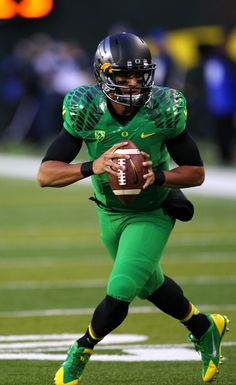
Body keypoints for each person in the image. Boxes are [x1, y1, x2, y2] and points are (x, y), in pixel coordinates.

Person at [37, 32, 229, 385]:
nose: (131, 83)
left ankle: (81, 351)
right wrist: (90, 166)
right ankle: (205, 328)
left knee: (121, 288)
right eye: (122, 75)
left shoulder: (163, 109)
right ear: (102, 74)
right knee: (150, 284)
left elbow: (196, 173)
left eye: (138, 75)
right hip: (108, 212)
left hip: (152, 212)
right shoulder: (86, 109)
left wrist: (157, 176)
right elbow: (46, 174)